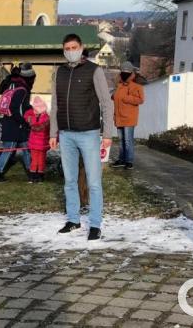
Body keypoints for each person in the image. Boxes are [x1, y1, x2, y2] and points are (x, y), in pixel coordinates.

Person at [50, 34, 115, 241]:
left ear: (81, 48)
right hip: (66, 134)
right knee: (69, 180)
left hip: (88, 133)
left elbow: (106, 102)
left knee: (93, 181)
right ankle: (73, 219)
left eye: (74, 47)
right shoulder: (58, 72)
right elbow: (55, 105)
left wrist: (107, 133)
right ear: (63, 50)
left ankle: (95, 224)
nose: (71, 51)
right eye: (67, 48)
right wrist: (53, 132)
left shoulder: (94, 71)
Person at [0, 63, 35, 182]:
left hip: (9, 121)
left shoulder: (10, 84)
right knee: (10, 149)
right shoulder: (23, 89)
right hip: (15, 124)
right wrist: (23, 121)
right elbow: (16, 107)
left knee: (24, 148)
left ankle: (31, 171)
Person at [112, 61, 144, 169]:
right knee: (121, 141)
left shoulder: (136, 86)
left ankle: (129, 161)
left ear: (131, 72)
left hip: (129, 118)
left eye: (126, 71)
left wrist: (125, 98)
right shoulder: (119, 85)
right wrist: (114, 96)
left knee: (127, 140)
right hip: (119, 116)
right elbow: (116, 97)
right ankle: (122, 159)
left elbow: (140, 100)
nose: (124, 73)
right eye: (123, 71)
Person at [24, 96, 50, 183]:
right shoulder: (46, 117)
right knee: (38, 160)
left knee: (37, 160)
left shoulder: (33, 117)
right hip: (41, 143)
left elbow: (27, 116)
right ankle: (38, 177)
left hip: (38, 143)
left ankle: (34, 177)